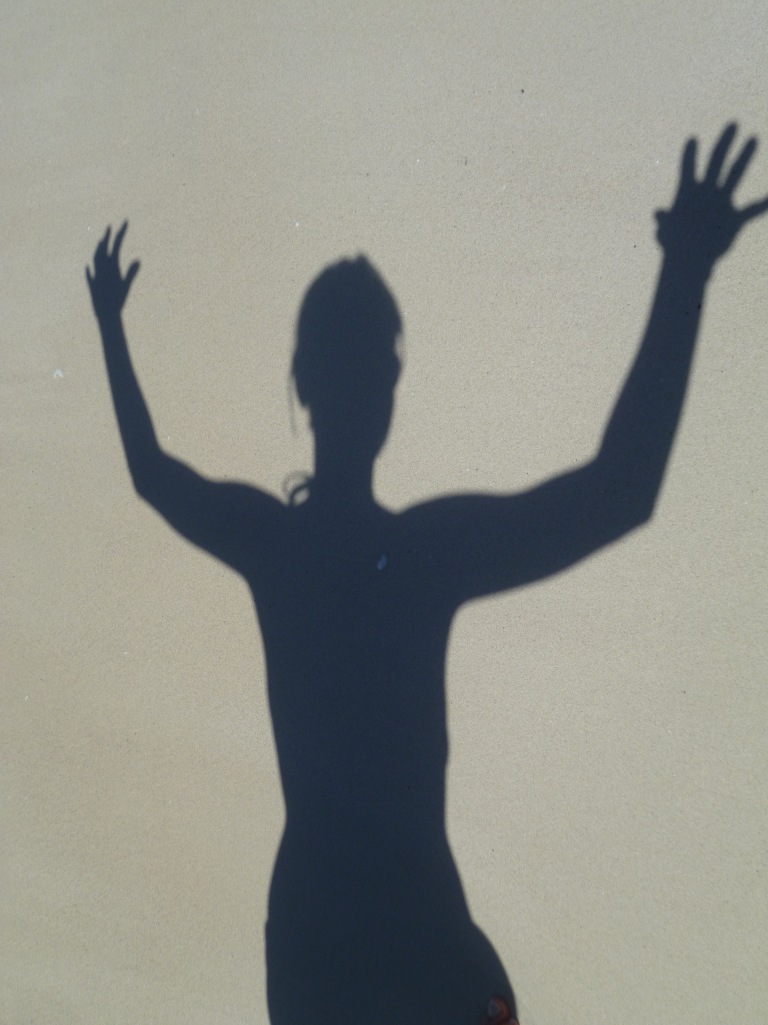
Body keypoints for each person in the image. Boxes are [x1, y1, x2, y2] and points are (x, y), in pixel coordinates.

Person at [87, 126, 767, 1025]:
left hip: (338, 943)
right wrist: (683, 274)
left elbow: (152, 472)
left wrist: (111, 329)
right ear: (380, 386)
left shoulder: (296, 546)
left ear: (306, 382)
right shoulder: (415, 555)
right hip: (389, 941)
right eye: (369, 365)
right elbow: (618, 491)